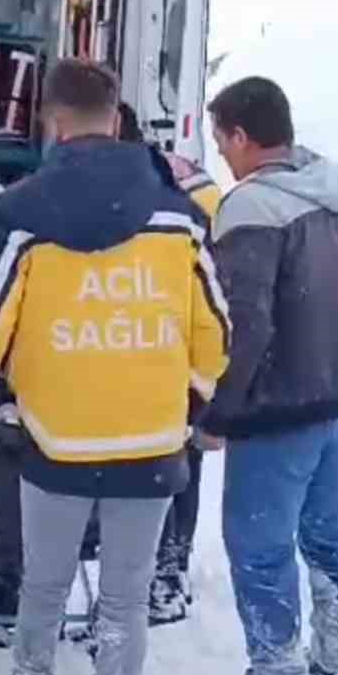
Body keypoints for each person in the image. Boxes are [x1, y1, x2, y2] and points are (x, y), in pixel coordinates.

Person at [0, 60, 230, 675]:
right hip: (153, 441)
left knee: (42, 588)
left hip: (56, 441)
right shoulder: (179, 214)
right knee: (126, 599)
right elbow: (215, 328)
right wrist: (190, 399)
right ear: (116, 115)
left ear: (52, 120)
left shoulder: (18, 214)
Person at [193, 77, 338, 675]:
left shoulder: (250, 207)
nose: (223, 156)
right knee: (328, 526)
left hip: (281, 408)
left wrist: (219, 413)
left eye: (222, 141)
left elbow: (244, 325)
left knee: (259, 542)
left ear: (241, 136)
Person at [119, 102, 223, 625]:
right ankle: (168, 572)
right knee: (177, 465)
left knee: (160, 468)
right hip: (179, 348)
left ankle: (161, 577)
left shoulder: (151, 194)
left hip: (161, 350)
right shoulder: (190, 184)